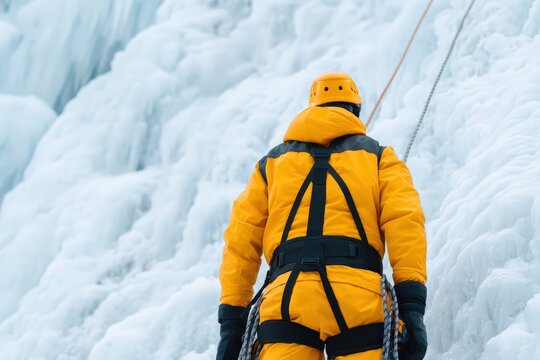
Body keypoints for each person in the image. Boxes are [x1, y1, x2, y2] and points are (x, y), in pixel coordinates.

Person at [217, 72, 427, 360]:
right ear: (354, 110)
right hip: (358, 294)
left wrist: (231, 322)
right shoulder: (380, 158)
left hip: (287, 298)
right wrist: (412, 305)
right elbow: (405, 222)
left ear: (313, 109)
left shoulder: (270, 165)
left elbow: (241, 241)